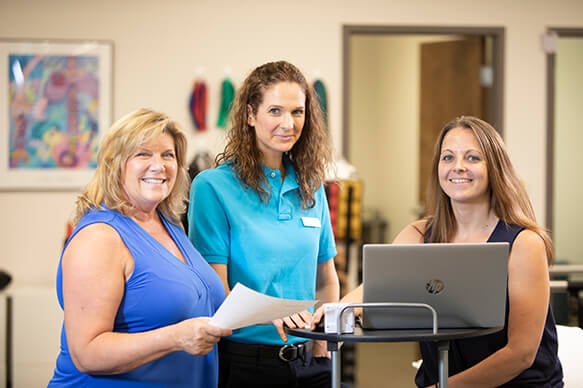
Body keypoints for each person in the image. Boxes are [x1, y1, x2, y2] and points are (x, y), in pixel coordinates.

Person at [325, 115, 564, 387]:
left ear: (495, 168)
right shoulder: (417, 235)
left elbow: (521, 354)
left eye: (473, 158)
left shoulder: (524, 244)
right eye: (448, 157)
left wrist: (444, 387)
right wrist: (340, 308)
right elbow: (374, 290)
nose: (458, 167)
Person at [48, 108, 232, 387]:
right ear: (115, 164)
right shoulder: (100, 238)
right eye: (143, 154)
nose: (159, 166)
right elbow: (87, 353)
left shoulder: (171, 224)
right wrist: (174, 338)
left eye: (168, 155)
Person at [188, 60, 340, 387]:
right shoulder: (212, 187)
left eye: (298, 112)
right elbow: (215, 292)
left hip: (309, 361)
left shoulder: (312, 185)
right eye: (275, 111)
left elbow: (326, 279)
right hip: (244, 361)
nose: (288, 123)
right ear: (250, 115)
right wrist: (269, 312)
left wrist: (321, 345)